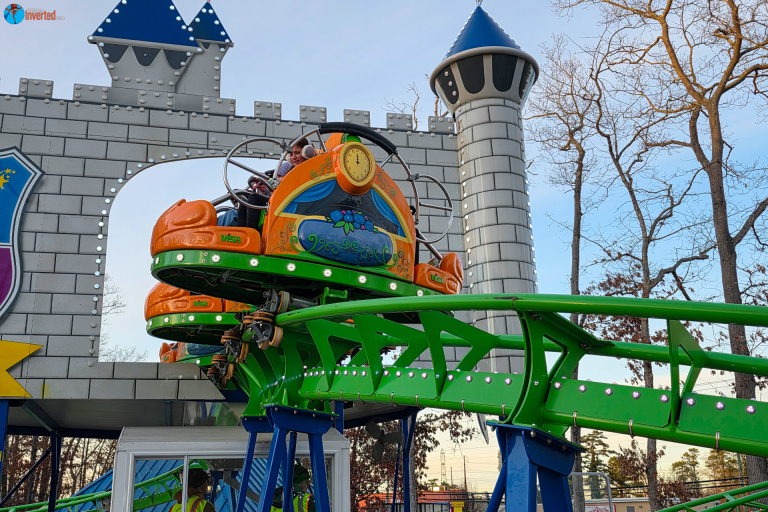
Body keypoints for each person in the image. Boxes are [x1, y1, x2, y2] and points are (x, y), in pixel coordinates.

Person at [216, 139, 314, 228]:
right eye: (291, 154)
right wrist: (265, 189)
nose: (294, 157)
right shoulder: (292, 169)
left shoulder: (309, 169)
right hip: (283, 201)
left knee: (255, 199)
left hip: (294, 205)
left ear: (308, 152)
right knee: (244, 201)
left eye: (297, 153)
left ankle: (251, 235)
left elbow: (289, 185)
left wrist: (269, 181)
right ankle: (244, 234)